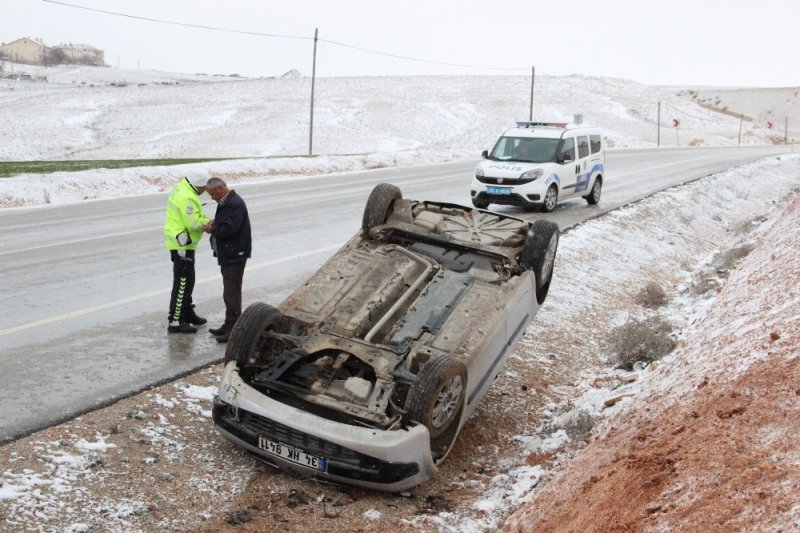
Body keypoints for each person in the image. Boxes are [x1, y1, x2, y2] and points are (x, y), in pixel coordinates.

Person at [203, 177, 252, 343]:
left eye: (211, 194)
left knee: (232, 293)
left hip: (234, 254)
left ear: (219, 189)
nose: (211, 198)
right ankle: (229, 324)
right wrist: (217, 221)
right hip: (230, 254)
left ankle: (234, 330)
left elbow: (230, 229)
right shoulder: (228, 202)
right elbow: (228, 222)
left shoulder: (234, 203)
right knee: (229, 292)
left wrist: (212, 228)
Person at [163, 169, 211, 333]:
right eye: (204, 187)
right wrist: (208, 225)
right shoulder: (187, 197)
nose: (206, 190)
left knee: (189, 280)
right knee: (183, 282)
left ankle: (187, 312)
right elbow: (192, 223)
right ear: (198, 185)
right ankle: (175, 321)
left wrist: (205, 219)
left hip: (183, 243)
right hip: (182, 244)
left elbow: (195, 215)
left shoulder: (183, 188)